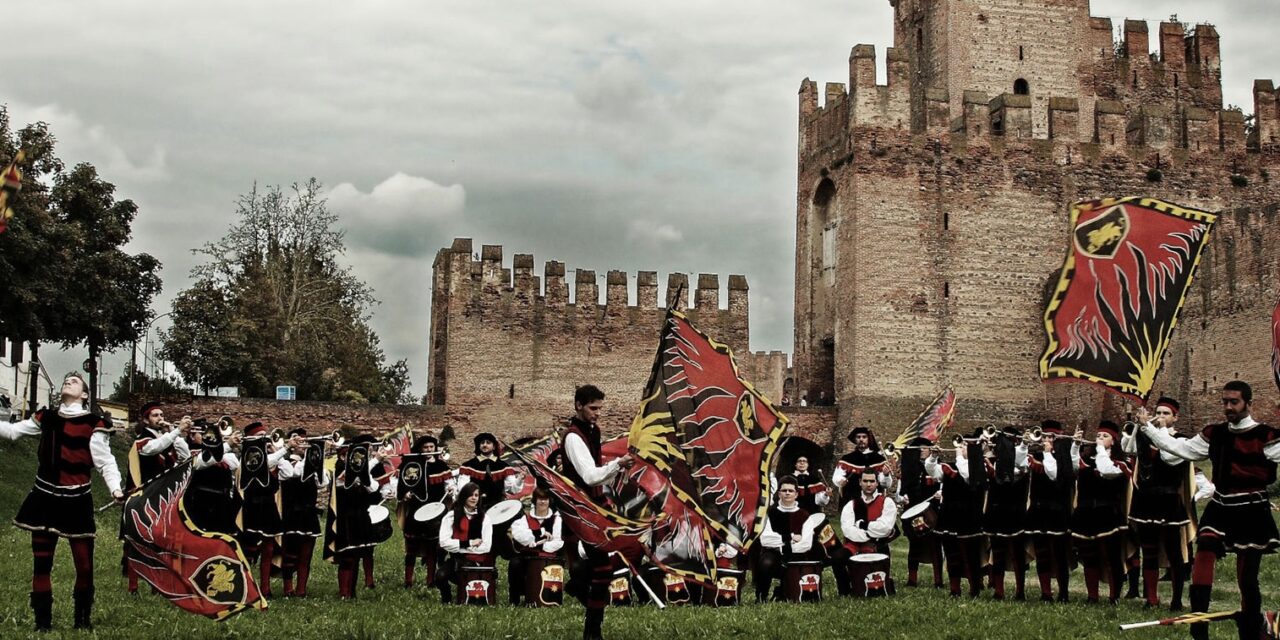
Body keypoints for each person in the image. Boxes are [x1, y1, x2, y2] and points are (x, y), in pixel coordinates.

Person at [1137, 381, 1280, 640]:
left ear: (1248, 403)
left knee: (1247, 575)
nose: (1228, 407)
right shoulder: (1215, 434)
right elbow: (1180, 450)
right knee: (1204, 548)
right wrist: (1147, 427)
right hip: (1221, 505)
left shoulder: (1266, 436)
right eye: (1225, 402)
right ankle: (1198, 621)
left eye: (1234, 402)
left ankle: (1250, 628)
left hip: (1252, 508)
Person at [0, 373, 124, 631]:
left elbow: (105, 462)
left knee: (84, 566)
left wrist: (115, 489)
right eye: (66, 379)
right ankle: (42, 624)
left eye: (75, 381)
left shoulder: (94, 423)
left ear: (85, 395)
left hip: (77, 501)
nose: (68, 381)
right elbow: (11, 432)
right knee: (41, 564)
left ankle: (82, 622)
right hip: (43, 497)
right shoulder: (47, 418)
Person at [562, 384, 633, 640]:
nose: (597, 413)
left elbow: (597, 472)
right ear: (578, 405)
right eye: (593, 408)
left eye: (600, 408)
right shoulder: (572, 437)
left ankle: (587, 613)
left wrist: (618, 470)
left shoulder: (594, 431)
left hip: (593, 506)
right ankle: (592, 631)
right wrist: (617, 463)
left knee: (603, 567)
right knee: (601, 568)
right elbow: (590, 476)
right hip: (577, 510)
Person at [1122, 397, 1195, 610]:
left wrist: (1159, 430)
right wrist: (1138, 427)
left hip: (1169, 499)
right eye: (1159, 413)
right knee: (1149, 550)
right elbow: (1127, 447)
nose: (1161, 417)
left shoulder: (1181, 439)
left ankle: (1176, 600)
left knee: (1174, 551)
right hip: (1147, 499)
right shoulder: (1146, 436)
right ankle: (1151, 598)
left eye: (1166, 414)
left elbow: (1168, 454)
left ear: (1175, 417)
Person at [121, 402, 190, 594]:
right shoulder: (142, 439)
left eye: (161, 414)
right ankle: (133, 586)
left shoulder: (166, 438)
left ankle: (156, 585)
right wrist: (175, 432)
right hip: (144, 497)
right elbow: (152, 449)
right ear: (145, 420)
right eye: (155, 415)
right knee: (137, 541)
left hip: (162, 495)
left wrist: (176, 434)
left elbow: (184, 456)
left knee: (159, 541)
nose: (160, 418)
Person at [1071, 421, 1132, 604]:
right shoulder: (1087, 460)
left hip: (1109, 513)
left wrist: (1100, 451)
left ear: (1113, 441)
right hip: (1087, 513)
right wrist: (1075, 444)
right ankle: (1092, 596)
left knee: (1112, 556)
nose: (1099, 439)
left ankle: (1114, 596)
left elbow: (1107, 471)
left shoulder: (1121, 462)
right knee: (1089, 556)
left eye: (1104, 436)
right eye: (1098, 436)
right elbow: (1073, 465)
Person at [391, 434, 454, 599]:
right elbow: (400, 484)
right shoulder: (411, 464)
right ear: (420, 449)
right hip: (415, 510)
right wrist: (404, 495)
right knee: (411, 547)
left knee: (432, 548)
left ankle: (430, 580)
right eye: (425, 448)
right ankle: (408, 580)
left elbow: (449, 484)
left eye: (431, 447)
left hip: (435, 511)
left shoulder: (441, 465)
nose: (428, 450)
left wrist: (451, 489)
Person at [925, 432, 987, 597]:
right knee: (952, 553)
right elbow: (934, 472)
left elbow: (967, 475)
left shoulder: (978, 466)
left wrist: (959, 456)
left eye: (965, 445)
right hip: (949, 514)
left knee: (971, 555)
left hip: (969, 515)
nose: (961, 448)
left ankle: (974, 589)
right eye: (962, 445)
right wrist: (933, 457)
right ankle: (955, 589)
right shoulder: (951, 465)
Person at [238, 422, 294, 599]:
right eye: (260, 436)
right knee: (249, 548)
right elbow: (263, 465)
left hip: (269, 504)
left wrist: (276, 450)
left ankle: (265, 588)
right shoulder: (248, 456)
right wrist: (284, 448)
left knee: (269, 548)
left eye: (265, 434)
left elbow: (288, 473)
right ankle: (245, 586)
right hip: (252, 505)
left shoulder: (273, 458)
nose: (265, 438)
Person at [329, 435, 384, 600]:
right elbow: (348, 479)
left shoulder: (361, 472)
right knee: (347, 557)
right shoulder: (341, 471)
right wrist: (374, 461)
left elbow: (373, 487)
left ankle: (351, 592)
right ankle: (344, 593)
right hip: (345, 519)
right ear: (342, 457)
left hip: (360, 516)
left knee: (357, 555)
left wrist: (370, 468)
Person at [1025, 420, 1075, 602]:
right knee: (1042, 553)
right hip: (1039, 510)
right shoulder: (1036, 455)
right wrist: (1023, 445)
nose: (1046, 439)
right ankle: (1045, 592)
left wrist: (1047, 453)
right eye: (1044, 436)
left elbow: (1054, 475)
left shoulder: (1063, 458)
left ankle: (1064, 592)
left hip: (1057, 512)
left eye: (1050, 437)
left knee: (1060, 554)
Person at [278, 428, 329, 598]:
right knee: (289, 553)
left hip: (308, 512)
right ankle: (288, 588)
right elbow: (294, 473)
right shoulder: (284, 461)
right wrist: (310, 459)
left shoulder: (312, 463)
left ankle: (301, 589)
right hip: (291, 513)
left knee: (306, 554)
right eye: (298, 440)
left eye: (305, 441)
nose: (303, 444)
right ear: (290, 444)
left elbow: (323, 481)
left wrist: (318, 458)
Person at [983, 428, 1030, 600]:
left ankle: (1020, 591)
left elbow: (1016, 472)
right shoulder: (993, 462)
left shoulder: (1022, 463)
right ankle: (999, 590)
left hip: (1015, 511)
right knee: (998, 552)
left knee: (1017, 553)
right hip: (996, 511)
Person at [754, 475, 817, 602]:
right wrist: (791, 537)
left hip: (797, 553)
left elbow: (806, 544)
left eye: (791, 490)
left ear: (796, 494)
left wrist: (782, 544)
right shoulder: (769, 513)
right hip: (773, 553)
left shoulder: (805, 515)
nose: (787, 493)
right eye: (784, 490)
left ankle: (786, 592)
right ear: (779, 493)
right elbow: (765, 539)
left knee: (796, 562)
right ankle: (761, 597)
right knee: (766, 563)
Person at [896, 436, 943, 588]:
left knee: (935, 545)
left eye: (924, 447)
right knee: (914, 545)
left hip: (932, 510)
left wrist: (941, 494)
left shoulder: (938, 466)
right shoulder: (909, 467)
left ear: (930, 449)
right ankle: (912, 579)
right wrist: (902, 497)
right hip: (913, 510)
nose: (922, 450)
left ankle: (938, 580)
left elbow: (944, 485)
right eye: (919, 448)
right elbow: (900, 491)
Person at [437, 482, 494, 604]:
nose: (474, 498)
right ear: (464, 496)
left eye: (476, 495)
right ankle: (446, 600)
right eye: (471, 495)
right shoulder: (451, 516)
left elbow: (486, 547)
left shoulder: (485, 519)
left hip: (477, 562)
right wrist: (468, 543)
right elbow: (444, 542)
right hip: (457, 560)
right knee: (440, 576)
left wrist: (458, 547)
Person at [510, 487, 565, 606]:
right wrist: (540, 533)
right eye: (540, 499)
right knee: (515, 563)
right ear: (535, 500)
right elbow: (519, 535)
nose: (543, 502)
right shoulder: (525, 518)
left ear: (549, 500)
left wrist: (538, 545)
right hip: (527, 557)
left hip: (548, 558)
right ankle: (515, 599)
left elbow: (558, 542)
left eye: (545, 499)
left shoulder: (556, 519)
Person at [459, 433, 522, 508]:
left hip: (498, 506)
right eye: (482, 443)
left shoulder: (503, 466)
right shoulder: (469, 466)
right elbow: (463, 488)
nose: (484, 445)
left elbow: (512, 490)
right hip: (476, 506)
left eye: (488, 443)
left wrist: (520, 479)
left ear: (494, 447)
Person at [832, 427, 890, 505]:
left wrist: (886, 475)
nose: (861, 439)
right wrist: (840, 481)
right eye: (858, 437)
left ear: (868, 439)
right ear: (855, 440)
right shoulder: (847, 459)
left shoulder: (878, 459)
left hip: (874, 500)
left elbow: (885, 485)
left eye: (864, 437)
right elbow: (837, 476)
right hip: (851, 499)